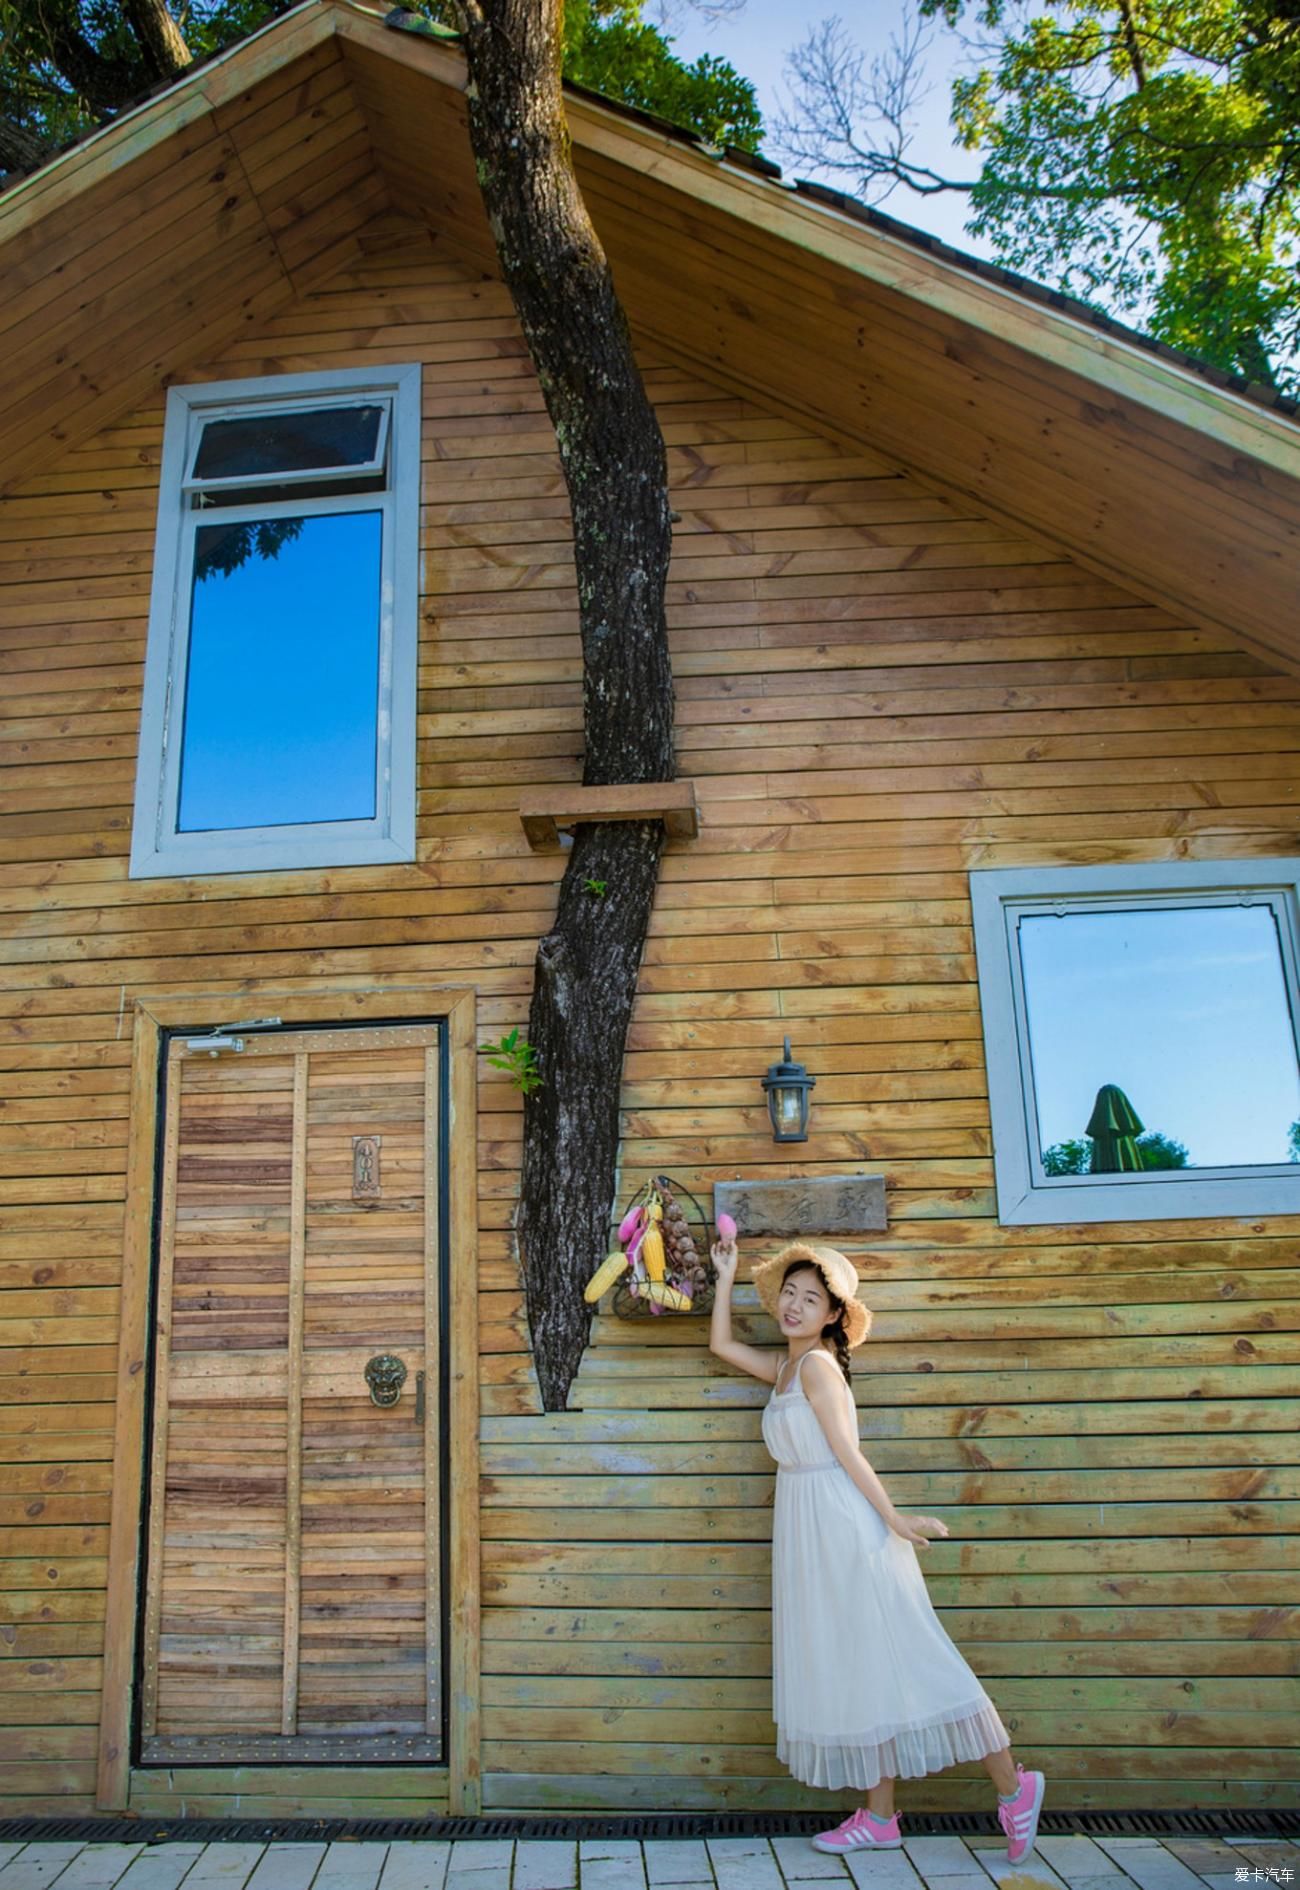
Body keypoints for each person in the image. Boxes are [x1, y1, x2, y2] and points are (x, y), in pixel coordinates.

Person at [708, 1231, 1046, 1860]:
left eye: (811, 1299)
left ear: (834, 1316)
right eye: (789, 1293)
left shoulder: (815, 1367)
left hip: (843, 1526)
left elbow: (847, 1454)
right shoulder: (785, 1366)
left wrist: (893, 1519)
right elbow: (722, 1344)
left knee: (918, 1659)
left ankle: (1015, 1785)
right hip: (810, 1529)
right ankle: (880, 1817)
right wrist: (725, 1274)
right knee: (855, 1665)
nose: (794, 1306)